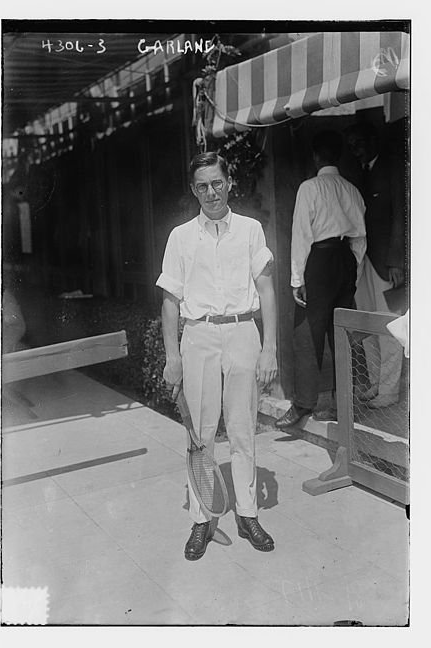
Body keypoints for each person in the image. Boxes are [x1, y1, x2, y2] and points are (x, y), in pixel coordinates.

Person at [156, 151, 278, 561]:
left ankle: (247, 514)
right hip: (199, 336)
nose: (211, 192)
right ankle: (203, 519)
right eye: (202, 185)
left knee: (243, 429)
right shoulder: (180, 237)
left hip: (243, 331)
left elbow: (267, 291)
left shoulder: (250, 230)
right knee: (201, 433)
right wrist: (172, 355)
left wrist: (270, 348)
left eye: (217, 183)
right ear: (194, 190)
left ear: (229, 183)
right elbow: (171, 302)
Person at [275, 130, 366, 428]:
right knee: (341, 330)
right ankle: (345, 403)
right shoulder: (352, 189)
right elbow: (360, 238)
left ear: (316, 157)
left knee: (305, 333)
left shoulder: (309, 188)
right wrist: (354, 271)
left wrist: (296, 278)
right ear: (338, 156)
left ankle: (302, 404)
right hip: (345, 260)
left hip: (319, 261)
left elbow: (302, 234)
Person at [345, 122, 406, 407]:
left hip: (385, 262)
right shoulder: (360, 172)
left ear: (373, 141)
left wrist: (397, 259)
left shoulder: (393, 167)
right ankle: (375, 382)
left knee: (390, 322)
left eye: (359, 143)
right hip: (364, 259)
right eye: (352, 145)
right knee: (368, 320)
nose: (356, 150)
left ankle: (390, 390)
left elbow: (401, 215)